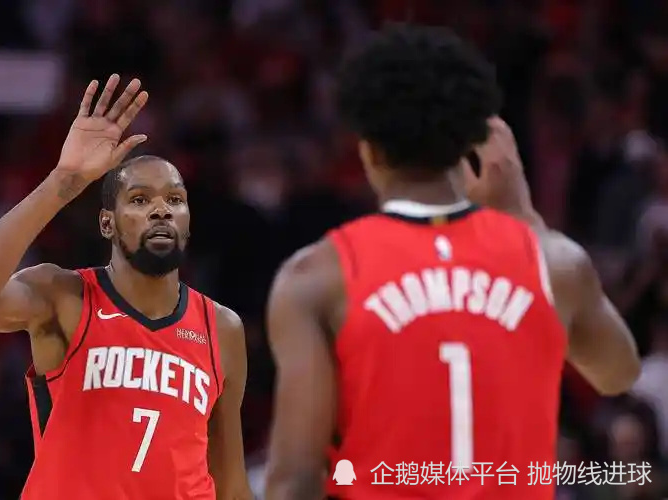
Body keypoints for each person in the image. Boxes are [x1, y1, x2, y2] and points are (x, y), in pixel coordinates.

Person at [264, 24, 641, 500]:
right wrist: (525, 219)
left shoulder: (316, 277)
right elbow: (618, 373)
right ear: (471, 142)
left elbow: (294, 480)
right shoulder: (553, 261)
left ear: (368, 149)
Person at [0, 75, 253, 500]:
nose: (161, 209)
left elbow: (231, 484)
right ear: (107, 223)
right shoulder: (63, 296)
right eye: (139, 199)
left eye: (175, 200)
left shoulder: (222, 328)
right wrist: (62, 183)